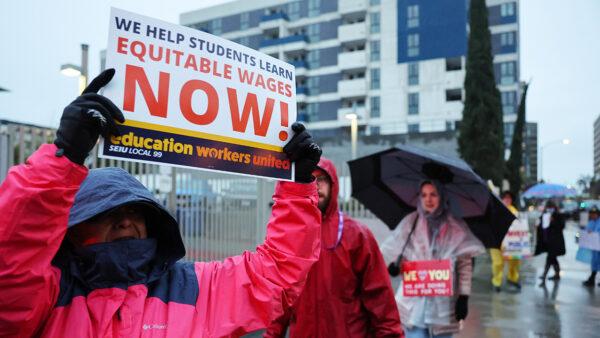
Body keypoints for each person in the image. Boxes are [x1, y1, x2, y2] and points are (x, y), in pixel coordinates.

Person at [0, 69, 324, 337]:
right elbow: (12, 261)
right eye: (107, 214)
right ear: (75, 227)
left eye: (135, 212)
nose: (126, 221)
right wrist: (63, 157)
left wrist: (298, 185)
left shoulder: (195, 287)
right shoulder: (49, 292)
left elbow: (277, 274)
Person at [263, 157, 403, 337]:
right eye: (310, 179)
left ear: (333, 184)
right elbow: (280, 299)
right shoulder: (291, 236)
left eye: (321, 179)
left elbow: (380, 299)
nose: (316, 185)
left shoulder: (357, 235)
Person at [380, 180, 485, 338]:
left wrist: (464, 297)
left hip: (444, 307)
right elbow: (394, 250)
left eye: (433, 195)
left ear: (442, 197)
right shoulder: (411, 222)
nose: (428, 199)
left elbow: (464, 265)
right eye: (424, 195)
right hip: (414, 304)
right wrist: (395, 267)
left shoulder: (455, 227)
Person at [490, 191, 522, 292]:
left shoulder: (516, 212)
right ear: (501, 199)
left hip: (512, 243)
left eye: (509, 198)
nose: (507, 200)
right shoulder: (495, 210)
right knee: (498, 263)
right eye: (505, 198)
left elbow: (520, 227)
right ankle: (496, 282)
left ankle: (512, 279)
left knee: (514, 262)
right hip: (497, 242)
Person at [534, 200, 566, 285]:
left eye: (551, 208)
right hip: (546, 241)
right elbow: (541, 227)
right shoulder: (543, 215)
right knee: (553, 258)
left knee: (550, 258)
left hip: (555, 242)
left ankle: (544, 276)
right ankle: (557, 274)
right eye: (548, 207)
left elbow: (562, 226)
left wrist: (553, 221)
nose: (549, 209)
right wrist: (538, 225)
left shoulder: (558, 216)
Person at [582, 207, 600, 287]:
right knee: (594, 262)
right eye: (591, 214)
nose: (592, 215)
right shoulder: (591, 222)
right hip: (595, 247)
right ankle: (592, 278)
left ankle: (592, 278)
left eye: (594, 214)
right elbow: (586, 231)